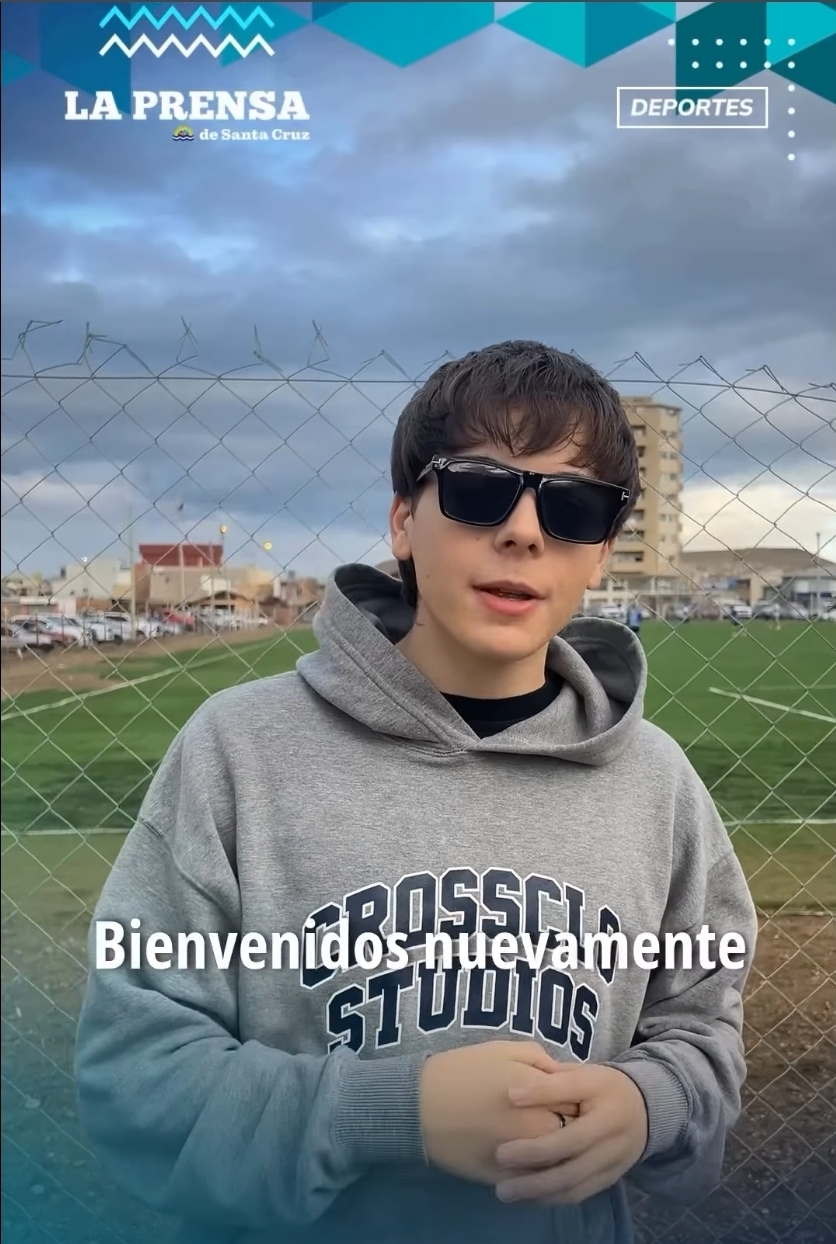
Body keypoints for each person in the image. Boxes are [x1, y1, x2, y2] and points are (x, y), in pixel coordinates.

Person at [75, 341, 758, 1244]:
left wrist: (648, 1103)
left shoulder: (657, 785)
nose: (524, 532)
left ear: (600, 552)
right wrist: (397, 1114)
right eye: (480, 489)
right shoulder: (238, 753)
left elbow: (703, 1032)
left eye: (573, 506)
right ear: (403, 520)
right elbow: (135, 1079)